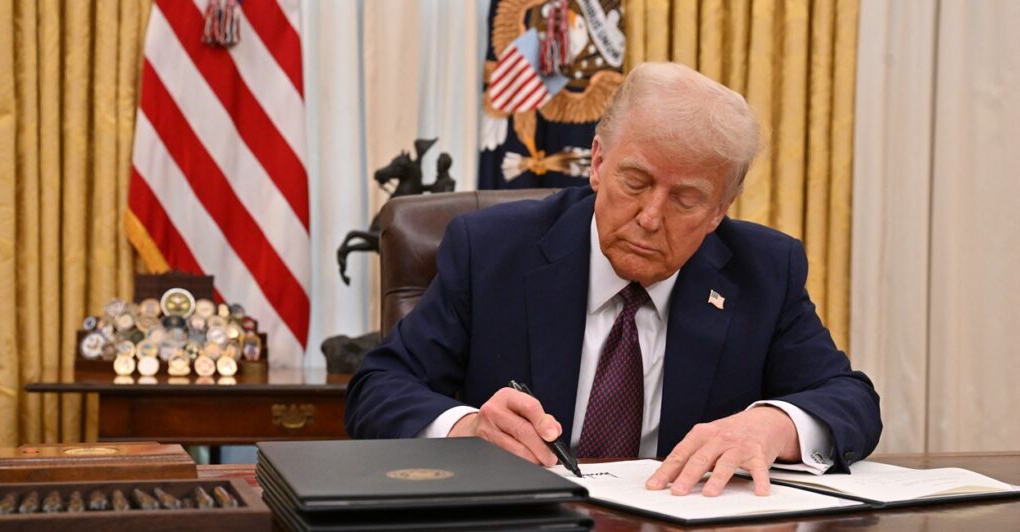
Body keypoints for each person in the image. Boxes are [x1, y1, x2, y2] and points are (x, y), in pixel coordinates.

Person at [345, 62, 881, 497]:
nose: (650, 216)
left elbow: (851, 400)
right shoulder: (490, 250)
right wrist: (468, 430)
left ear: (719, 210)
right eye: (635, 181)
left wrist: (773, 426)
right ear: (598, 163)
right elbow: (378, 390)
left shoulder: (764, 270)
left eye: (685, 199)